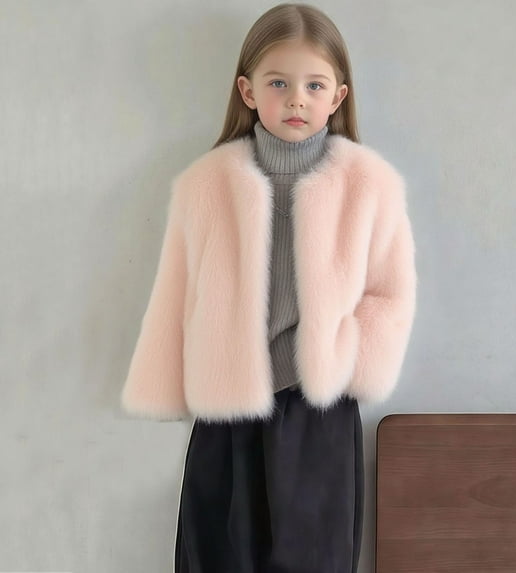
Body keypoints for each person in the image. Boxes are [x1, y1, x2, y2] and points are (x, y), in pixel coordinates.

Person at [120, 3, 417, 572]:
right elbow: (177, 291)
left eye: (314, 85)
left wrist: (347, 364)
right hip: (228, 408)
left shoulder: (367, 185)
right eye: (279, 83)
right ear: (248, 91)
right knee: (219, 553)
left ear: (338, 96)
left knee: (313, 556)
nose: (297, 99)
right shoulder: (209, 183)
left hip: (318, 410)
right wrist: (171, 383)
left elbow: (389, 292)